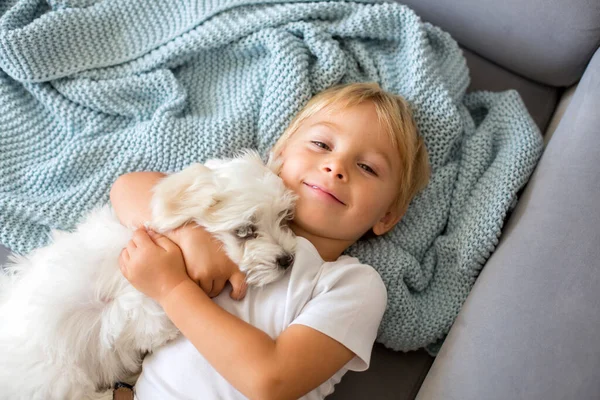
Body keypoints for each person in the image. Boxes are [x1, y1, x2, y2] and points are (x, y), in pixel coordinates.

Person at [110, 82, 431, 400]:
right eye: (321, 144)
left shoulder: (353, 285)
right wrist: (190, 234)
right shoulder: (236, 193)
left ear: (386, 217)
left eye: (367, 167)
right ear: (278, 154)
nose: (336, 167)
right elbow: (127, 189)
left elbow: (270, 382)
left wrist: (172, 289)